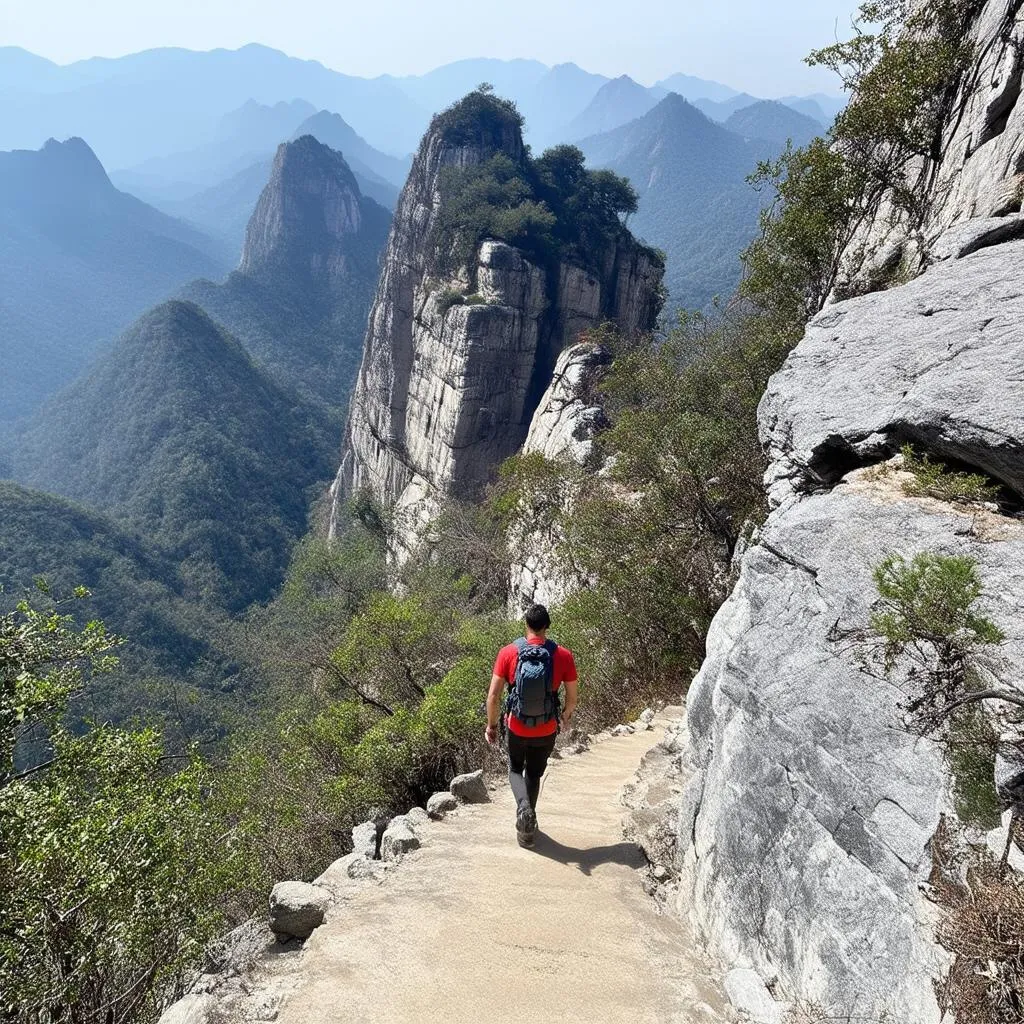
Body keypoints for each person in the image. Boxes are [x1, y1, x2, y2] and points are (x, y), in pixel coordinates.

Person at [485, 604, 578, 847]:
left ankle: (524, 810)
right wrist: (565, 717)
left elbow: (493, 697)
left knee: (515, 769)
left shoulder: (508, 653)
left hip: (516, 725)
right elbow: (572, 696)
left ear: (526, 624)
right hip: (547, 728)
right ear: (547, 626)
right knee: (534, 774)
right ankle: (528, 826)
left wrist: (492, 726)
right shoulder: (563, 655)